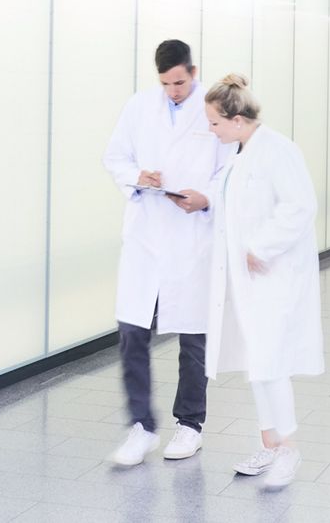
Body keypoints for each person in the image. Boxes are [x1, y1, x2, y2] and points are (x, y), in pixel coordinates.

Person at [178, 73, 324, 489]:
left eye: (215, 123)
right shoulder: (239, 154)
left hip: (273, 275)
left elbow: (300, 206)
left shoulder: (278, 150)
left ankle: (289, 449)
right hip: (247, 280)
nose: (211, 130)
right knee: (258, 362)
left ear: (237, 119)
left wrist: (261, 247)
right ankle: (270, 445)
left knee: (271, 362)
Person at [101, 40, 231, 466]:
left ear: (193, 71)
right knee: (132, 332)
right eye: (166, 84)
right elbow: (115, 157)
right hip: (146, 235)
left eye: (179, 82)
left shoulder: (214, 109)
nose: (173, 91)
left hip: (192, 236)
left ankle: (190, 424)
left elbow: (230, 170)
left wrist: (207, 198)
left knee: (193, 336)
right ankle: (141, 426)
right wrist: (137, 176)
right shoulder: (139, 106)